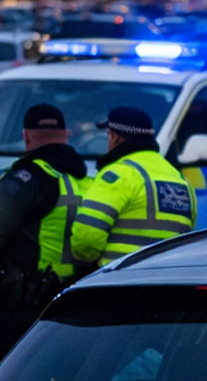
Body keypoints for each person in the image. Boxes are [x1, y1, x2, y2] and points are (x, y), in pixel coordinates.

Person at [0, 103, 91, 372]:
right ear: (67, 136)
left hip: (21, 309)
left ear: (26, 137)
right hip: (72, 302)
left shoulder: (27, 179)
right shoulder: (86, 182)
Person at [72, 106, 194, 265]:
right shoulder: (180, 180)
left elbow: (87, 237)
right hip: (167, 281)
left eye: (108, 135)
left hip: (119, 281)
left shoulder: (118, 174)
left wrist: (86, 262)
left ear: (115, 137)